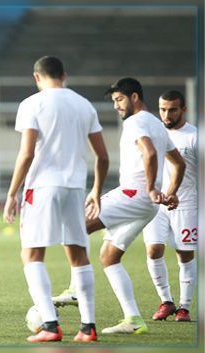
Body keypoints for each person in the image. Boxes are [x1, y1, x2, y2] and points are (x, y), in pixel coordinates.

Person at [3, 56, 109, 343]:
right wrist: (96, 191)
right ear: (64, 75)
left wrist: (12, 193)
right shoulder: (83, 104)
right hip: (75, 188)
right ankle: (88, 328)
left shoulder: (32, 104)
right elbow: (102, 156)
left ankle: (50, 325)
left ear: (37, 77)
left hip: (42, 187)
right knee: (78, 255)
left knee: (32, 254)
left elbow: (27, 153)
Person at [87, 78, 185, 334]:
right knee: (109, 257)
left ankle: (76, 291)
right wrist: (169, 193)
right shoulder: (156, 122)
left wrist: (152, 188)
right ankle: (133, 319)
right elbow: (179, 163)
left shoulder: (135, 122)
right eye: (114, 101)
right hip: (147, 206)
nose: (117, 106)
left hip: (133, 195)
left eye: (119, 100)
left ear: (134, 97)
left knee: (76, 226)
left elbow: (150, 153)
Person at [142, 90, 197, 322]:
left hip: (186, 203)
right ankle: (166, 301)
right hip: (156, 203)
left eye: (172, 109)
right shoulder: (154, 134)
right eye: (162, 109)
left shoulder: (194, 136)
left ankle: (184, 307)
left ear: (183, 109)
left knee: (184, 254)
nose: (166, 114)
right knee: (153, 250)